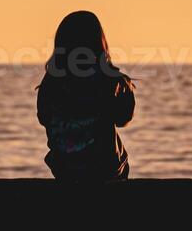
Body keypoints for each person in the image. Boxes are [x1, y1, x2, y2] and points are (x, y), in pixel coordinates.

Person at [36, 11, 136, 182]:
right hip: (105, 170)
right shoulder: (110, 81)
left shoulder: (51, 83)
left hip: (65, 170)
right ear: (100, 44)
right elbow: (123, 119)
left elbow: (44, 117)